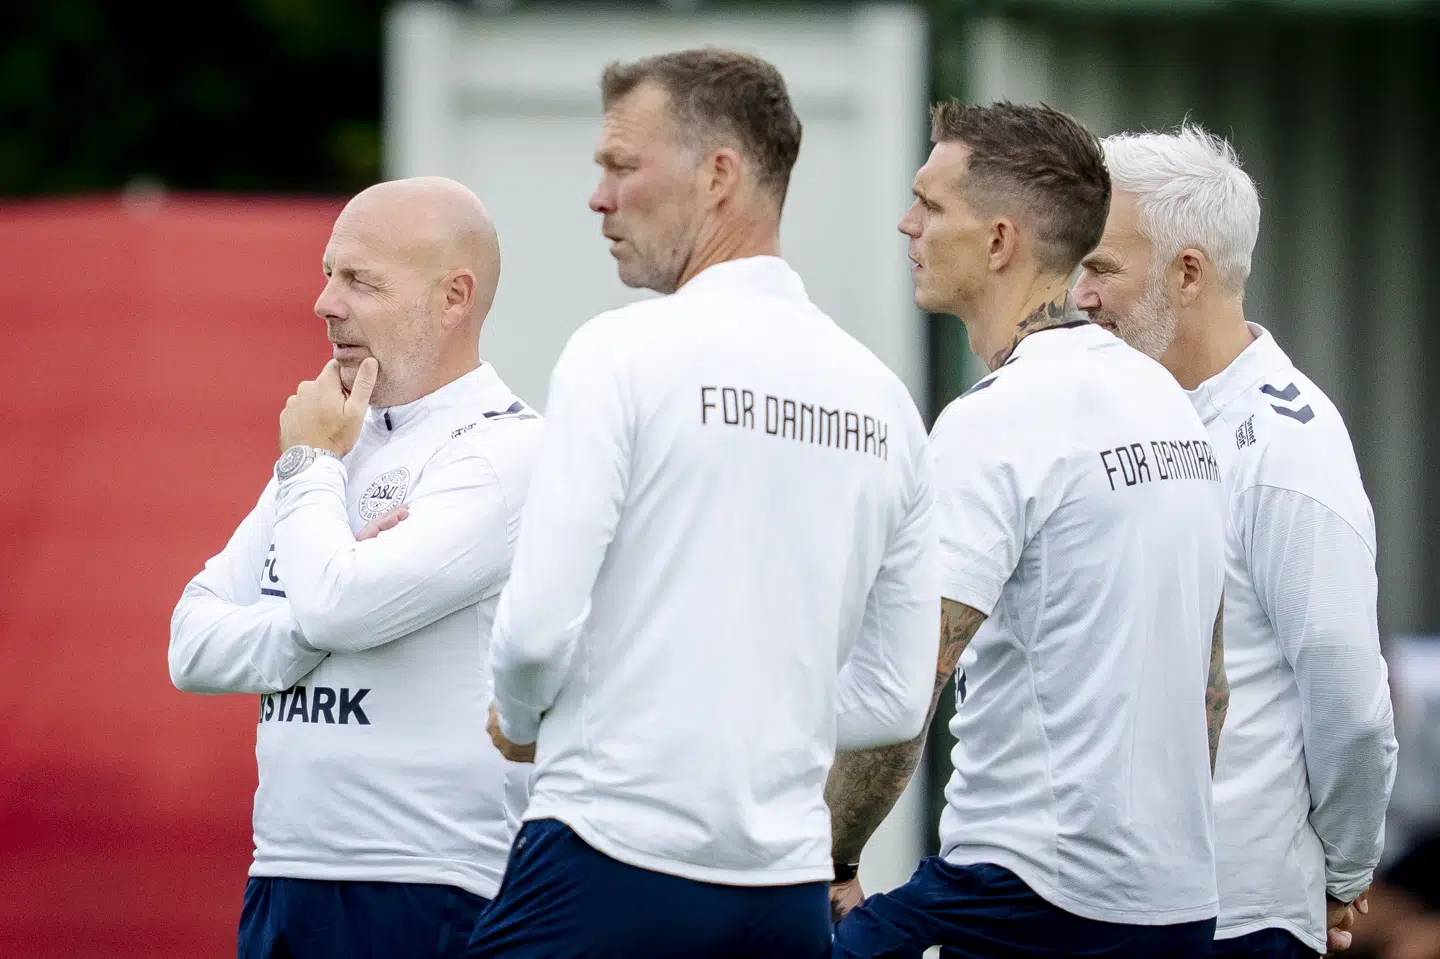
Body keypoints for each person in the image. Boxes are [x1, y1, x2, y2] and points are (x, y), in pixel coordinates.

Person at [466, 49, 939, 959]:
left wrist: (521, 722)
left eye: (618, 165)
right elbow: (890, 698)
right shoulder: (883, 401)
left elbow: (531, 635)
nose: (596, 198)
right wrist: (757, 697)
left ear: (719, 174)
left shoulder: (623, 353)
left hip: (608, 857)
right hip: (784, 894)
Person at [828, 100, 1229, 959]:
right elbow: (1211, 682)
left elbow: (908, 680)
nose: (908, 224)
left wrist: (832, 853)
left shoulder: (999, 419)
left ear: (1001, 240)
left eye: (931, 205)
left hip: (1028, 899)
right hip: (1176, 905)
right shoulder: (1167, 401)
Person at [168, 176, 542, 958]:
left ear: (453, 298)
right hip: (282, 872)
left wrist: (307, 470)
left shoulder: (508, 451)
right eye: (328, 273)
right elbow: (191, 642)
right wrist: (315, 624)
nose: (325, 303)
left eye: (361, 280)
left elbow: (340, 605)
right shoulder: (339, 437)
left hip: (424, 881)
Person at [1074, 124, 1398, 959]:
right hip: (1112, 909)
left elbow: (1349, 695)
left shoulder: (1287, 443)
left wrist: (1344, 868)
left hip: (1237, 921)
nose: (1080, 295)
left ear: (1189, 273)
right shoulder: (1116, 410)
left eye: (1103, 266)